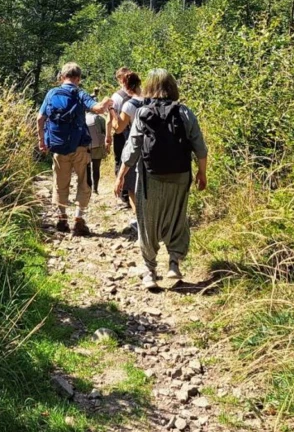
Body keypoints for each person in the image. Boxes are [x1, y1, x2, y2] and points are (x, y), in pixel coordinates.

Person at [115, 69, 208, 289]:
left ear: (148, 86)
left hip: (150, 176)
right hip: (180, 174)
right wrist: (202, 173)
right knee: (177, 218)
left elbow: (132, 148)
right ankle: (174, 264)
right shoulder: (184, 112)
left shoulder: (143, 112)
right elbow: (200, 148)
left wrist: (121, 176)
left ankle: (149, 271)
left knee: (148, 222)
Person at [37, 63, 111, 235]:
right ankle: (79, 220)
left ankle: (62, 218)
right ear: (78, 78)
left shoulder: (51, 93)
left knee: (60, 183)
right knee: (84, 183)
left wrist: (42, 141)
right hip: (79, 148)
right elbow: (98, 108)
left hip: (58, 147)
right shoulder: (79, 93)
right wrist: (106, 101)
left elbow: (40, 118)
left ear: (62, 77)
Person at [107, 68, 142, 234]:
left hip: (133, 144)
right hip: (152, 147)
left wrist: (112, 112)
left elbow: (118, 128)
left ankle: (138, 220)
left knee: (131, 184)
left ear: (124, 84)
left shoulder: (129, 104)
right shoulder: (150, 100)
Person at [84, 99, 108, 196]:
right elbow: (105, 132)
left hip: (85, 147)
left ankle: (88, 187)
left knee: (87, 168)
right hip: (97, 146)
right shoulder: (99, 119)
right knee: (96, 168)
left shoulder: (82, 118)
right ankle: (95, 189)